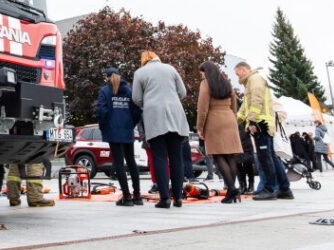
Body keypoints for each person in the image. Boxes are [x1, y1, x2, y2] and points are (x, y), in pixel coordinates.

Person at [132, 50, 190, 208]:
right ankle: (178, 197)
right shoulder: (170, 69)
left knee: (159, 157)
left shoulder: (140, 73)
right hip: (175, 115)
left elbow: (136, 98)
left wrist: (150, 100)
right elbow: (182, 92)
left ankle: (165, 198)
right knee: (176, 157)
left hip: (155, 117)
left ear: (144, 60)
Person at [234, 62, 293, 201]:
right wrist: (235, 122)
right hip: (263, 123)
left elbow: (256, 100)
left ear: (244, 69)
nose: (238, 77)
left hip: (261, 124)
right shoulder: (251, 82)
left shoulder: (254, 79)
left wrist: (253, 121)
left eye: (238, 73)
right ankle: (284, 189)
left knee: (265, 158)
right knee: (271, 157)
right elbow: (245, 106)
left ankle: (269, 189)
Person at [195, 61, 244, 204]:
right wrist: (233, 120)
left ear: (206, 72)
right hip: (229, 118)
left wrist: (200, 127)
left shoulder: (206, 84)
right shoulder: (227, 83)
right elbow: (235, 105)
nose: (201, 76)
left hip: (214, 120)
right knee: (230, 156)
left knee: (217, 155)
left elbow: (203, 108)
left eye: (202, 73)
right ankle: (231, 191)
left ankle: (232, 189)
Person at [96, 67, 143, 206]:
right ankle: (138, 197)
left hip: (112, 130)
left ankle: (127, 197)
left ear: (107, 77)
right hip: (127, 130)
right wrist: (130, 124)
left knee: (119, 163)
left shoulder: (105, 91)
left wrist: (103, 126)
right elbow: (136, 110)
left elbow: (101, 111)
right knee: (131, 162)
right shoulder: (129, 90)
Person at [237, 117, 257, 194]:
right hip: (235, 135)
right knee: (237, 162)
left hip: (245, 135)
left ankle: (251, 185)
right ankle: (242, 185)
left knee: (247, 162)